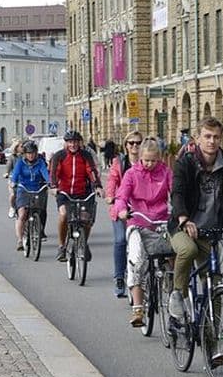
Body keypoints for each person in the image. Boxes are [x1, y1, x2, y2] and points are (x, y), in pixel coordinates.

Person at [168, 116, 223, 366]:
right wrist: (184, 218)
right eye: (207, 136)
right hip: (184, 228)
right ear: (198, 137)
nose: (212, 141)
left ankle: (212, 350)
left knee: (213, 287)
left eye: (216, 137)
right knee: (188, 250)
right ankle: (177, 296)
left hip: (212, 231)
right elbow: (178, 192)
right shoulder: (186, 163)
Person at [114, 139, 173, 327]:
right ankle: (138, 308)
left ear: (160, 159)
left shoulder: (166, 172)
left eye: (153, 160)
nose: (149, 164)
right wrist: (122, 210)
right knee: (137, 261)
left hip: (161, 221)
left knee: (174, 255)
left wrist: (179, 210)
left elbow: (176, 193)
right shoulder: (131, 174)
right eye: (146, 160)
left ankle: (173, 295)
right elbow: (121, 196)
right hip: (138, 221)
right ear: (140, 158)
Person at [51, 130, 103, 262]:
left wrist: (97, 186)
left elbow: (91, 170)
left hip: (82, 192)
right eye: (70, 142)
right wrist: (54, 186)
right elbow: (54, 172)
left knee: (87, 219)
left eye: (75, 142)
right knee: (63, 215)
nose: (73, 145)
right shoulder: (59, 156)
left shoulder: (85, 155)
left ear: (79, 143)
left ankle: (83, 243)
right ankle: (62, 246)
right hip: (64, 192)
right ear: (66, 143)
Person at [104, 131, 143, 298]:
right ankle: (119, 277)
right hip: (122, 208)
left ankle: (145, 277)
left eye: (138, 143)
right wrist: (110, 195)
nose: (135, 146)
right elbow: (112, 180)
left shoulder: (146, 161)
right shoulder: (119, 162)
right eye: (131, 143)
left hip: (141, 209)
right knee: (120, 240)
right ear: (126, 146)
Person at [9, 140, 50, 250]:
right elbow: (16, 174)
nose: (31, 155)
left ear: (36, 153)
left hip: (37, 189)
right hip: (23, 189)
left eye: (33, 153)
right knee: (22, 214)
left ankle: (38, 229)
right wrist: (13, 182)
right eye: (28, 153)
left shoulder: (40, 162)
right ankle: (19, 240)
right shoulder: (20, 162)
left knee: (39, 211)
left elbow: (45, 173)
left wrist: (50, 182)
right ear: (25, 154)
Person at [4, 139, 23, 218]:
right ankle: (12, 207)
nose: (23, 148)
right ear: (16, 147)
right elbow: (8, 167)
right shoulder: (12, 157)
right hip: (14, 180)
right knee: (13, 195)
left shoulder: (25, 156)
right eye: (21, 146)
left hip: (23, 179)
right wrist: (7, 173)